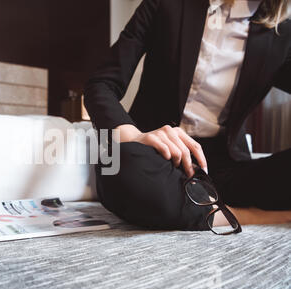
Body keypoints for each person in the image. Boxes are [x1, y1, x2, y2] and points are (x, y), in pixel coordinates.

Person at [84, 0, 291, 231]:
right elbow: (101, 84)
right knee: (118, 161)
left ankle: (204, 207)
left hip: (225, 170)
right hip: (156, 158)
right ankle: (243, 215)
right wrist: (134, 135)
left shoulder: (283, 31)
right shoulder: (167, 4)